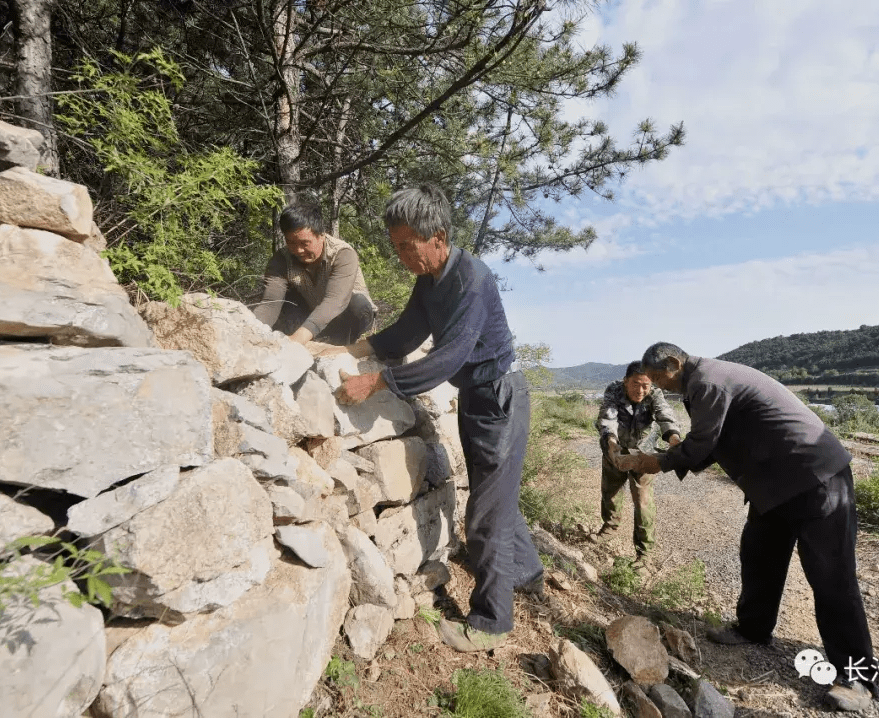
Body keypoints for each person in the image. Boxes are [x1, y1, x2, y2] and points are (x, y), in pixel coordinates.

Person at [328, 184, 543, 653]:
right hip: (476, 398)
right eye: (396, 245)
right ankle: (527, 572)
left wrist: (376, 383)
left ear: (438, 237)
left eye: (407, 245)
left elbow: (447, 358)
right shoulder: (430, 282)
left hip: (500, 398)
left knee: (485, 513)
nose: (402, 255)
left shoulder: (472, 278)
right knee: (496, 490)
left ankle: (491, 622)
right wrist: (349, 350)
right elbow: (405, 333)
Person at [619, 342, 876, 713]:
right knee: (759, 552)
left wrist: (654, 462)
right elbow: (711, 445)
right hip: (774, 481)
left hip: (814, 477)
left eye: (660, 378)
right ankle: (754, 628)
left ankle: (858, 677)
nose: (659, 386)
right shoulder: (703, 381)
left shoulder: (709, 381)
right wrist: (670, 456)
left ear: (675, 363)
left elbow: (703, 443)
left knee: (831, 576)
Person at [252, 195, 375, 345]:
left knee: (358, 305)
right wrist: (251, 331)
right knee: (287, 301)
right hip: (311, 312)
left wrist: (297, 341)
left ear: (321, 236)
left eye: (305, 243)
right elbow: (270, 304)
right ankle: (309, 339)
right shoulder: (282, 260)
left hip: (345, 315)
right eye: (290, 242)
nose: (298, 250)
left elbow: (335, 302)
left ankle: (345, 344)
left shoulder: (342, 254)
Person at [595, 361, 681, 566]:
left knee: (643, 502)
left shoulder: (655, 394)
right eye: (636, 384)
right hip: (615, 446)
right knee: (610, 491)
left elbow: (665, 415)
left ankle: (644, 554)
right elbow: (608, 417)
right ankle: (609, 528)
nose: (641, 390)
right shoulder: (614, 390)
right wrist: (612, 445)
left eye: (646, 385)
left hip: (643, 451)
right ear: (626, 381)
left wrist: (674, 439)